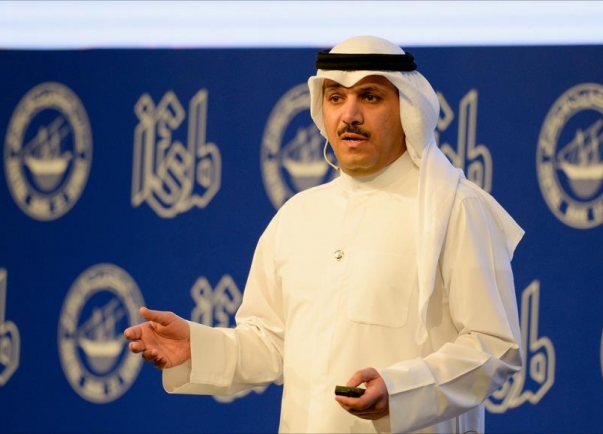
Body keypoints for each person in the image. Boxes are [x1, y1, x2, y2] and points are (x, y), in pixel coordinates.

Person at [124, 35, 524, 433]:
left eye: (370, 97)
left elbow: (495, 347)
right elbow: (271, 343)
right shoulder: (297, 216)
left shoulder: (455, 207)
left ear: (408, 107)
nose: (349, 115)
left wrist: (402, 391)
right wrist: (197, 348)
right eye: (335, 97)